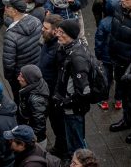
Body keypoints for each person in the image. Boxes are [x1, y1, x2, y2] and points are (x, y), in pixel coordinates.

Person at [53, 17, 92, 159]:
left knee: (77, 143)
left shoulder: (77, 58)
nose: (58, 34)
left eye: (62, 32)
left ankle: (81, 162)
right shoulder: (67, 49)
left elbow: (83, 91)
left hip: (73, 109)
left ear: (71, 35)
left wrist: (65, 102)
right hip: (70, 106)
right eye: (58, 31)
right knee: (75, 138)